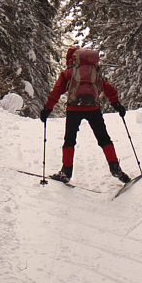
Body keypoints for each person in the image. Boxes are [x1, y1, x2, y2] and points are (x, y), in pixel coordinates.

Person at [39, 46, 130, 184]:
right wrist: (116, 104)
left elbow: (56, 91)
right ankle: (115, 167)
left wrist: (47, 109)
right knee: (104, 139)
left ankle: (66, 172)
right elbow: (108, 88)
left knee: (69, 140)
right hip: (93, 108)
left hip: (73, 109)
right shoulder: (94, 71)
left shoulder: (69, 72)